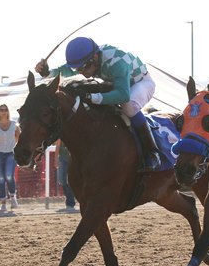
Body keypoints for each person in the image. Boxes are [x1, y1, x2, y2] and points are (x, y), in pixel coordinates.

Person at [35, 36, 161, 171]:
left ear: (95, 57)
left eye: (84, 68)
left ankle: (152, 153)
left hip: (141, 83)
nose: (82, 73)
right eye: (78, 70)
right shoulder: (88, 59)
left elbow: (123, 95)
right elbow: (66, 70)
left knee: (128, 107)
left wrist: (93, 97)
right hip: (117, 84)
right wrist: (48, 73)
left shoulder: (117, 62)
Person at [54, 139, 77, 212]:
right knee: (62, 180)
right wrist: (56, 159)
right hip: (63, 159)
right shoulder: (61, 133)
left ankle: (70, 204)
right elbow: (57, 145)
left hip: (73, 159)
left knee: (69, 181)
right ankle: (69, 202)